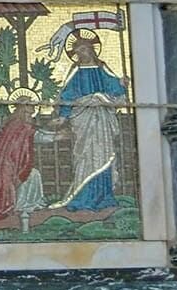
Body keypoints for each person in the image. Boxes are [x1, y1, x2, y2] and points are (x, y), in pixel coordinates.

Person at [50, 31, 127, 212]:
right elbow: (67, 95)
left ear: (92, 50)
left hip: (101, 117)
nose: (82, 53)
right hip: (83, 118)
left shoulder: (102, 68)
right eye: (78, 51)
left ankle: (104, 197)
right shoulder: (76, 71)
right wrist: (64, 115)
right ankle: (83, 196)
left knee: (104, 153)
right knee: (84, 156)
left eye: (84, 49)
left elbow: (113, 87)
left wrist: (121, 83)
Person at [0, 90, 49, 225]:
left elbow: (29, 140)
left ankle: (28, 203)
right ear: (23, 108)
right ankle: (22, 204)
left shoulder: (18, 124)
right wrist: (57, 136)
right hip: (8, 166)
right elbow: (33, 139)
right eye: (30, 105)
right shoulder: (19, 126)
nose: (33, 107)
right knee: (33, 175)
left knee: (34, 174)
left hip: (10, 164)